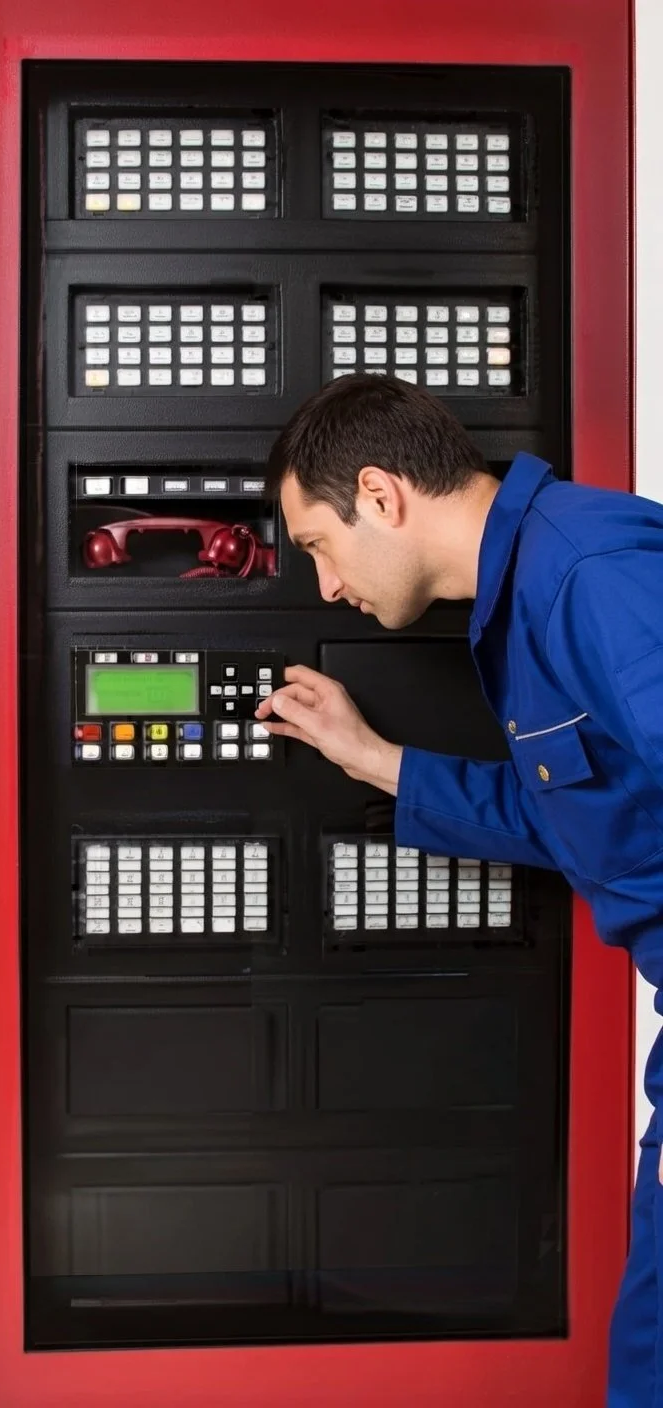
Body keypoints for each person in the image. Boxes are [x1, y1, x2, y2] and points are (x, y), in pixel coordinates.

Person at [255, 371, 663, 1408]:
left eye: (317, 545)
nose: (325, 588)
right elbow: (580, 814)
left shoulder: (591, 574)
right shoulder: (529, 592)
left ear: (383, 497)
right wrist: (377, 761)